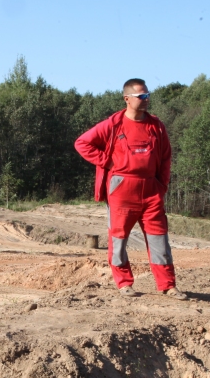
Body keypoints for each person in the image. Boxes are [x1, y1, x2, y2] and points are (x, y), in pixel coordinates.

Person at [75, 79, 186, 299]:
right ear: (127, 99)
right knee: (118, 239)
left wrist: (162, 185)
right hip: (121, 190)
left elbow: (165, 158)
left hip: (151, 189)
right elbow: (82, 143)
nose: (146, 100)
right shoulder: (113, 124)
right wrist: (107, 162)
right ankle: (124, 283)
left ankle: (168, 285)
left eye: (147, 95)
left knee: (159, 239)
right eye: (141, 96)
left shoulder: (156, 126)